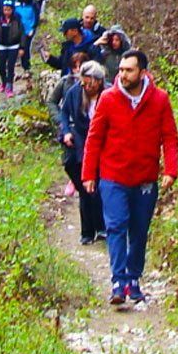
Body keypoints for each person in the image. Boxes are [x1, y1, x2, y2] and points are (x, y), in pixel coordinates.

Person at [82, 49, 178, 305]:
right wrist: (88, 173)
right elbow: (94, 138)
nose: (123, 75)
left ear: (142, 73)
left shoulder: (160, 100)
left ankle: (134, 279)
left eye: (129, 70)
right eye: (121, 70)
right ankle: (118, 280)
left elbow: (169, 136)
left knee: (139, 229)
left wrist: (171, 169)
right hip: (113, 176)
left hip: (145, 178)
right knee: (115, 226)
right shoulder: (108, 98)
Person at [60, 61, 107, 245]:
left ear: (99, 81)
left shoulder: (108, 94)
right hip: (81, 145)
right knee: (86, 189)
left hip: (102, 145)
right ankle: (87, 232)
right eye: (85, 83)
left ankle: (101, 227)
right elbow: (64, 113)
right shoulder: (75, 93)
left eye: (91, 83)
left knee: (99, 188)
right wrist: (66, 132)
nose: (87, 87)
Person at [0, 0, 26, 96]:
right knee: (1, 66)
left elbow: (22, 33)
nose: (6, 12)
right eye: (5, 9)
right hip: (1, 45)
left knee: (11, 66)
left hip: (13, 46)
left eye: (8, 9)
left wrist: (22, 47)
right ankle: (3, 82)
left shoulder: (17, 19)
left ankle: (10, 87)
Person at [46, 50, 87, 130]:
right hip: (69, 123)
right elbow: (51, 101)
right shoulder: (65, 81)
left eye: (81, 66)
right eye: (75, 67)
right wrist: (59, 120)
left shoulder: (93, 83)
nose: (78, 70)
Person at [14, 0, 38, 76]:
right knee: (19, 47)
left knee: (26, 47)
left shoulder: (33, 4)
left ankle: (27, 67)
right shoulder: (17, 5)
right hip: (19, 30)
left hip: (29, 29)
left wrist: (33, 28)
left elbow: (36, 17)